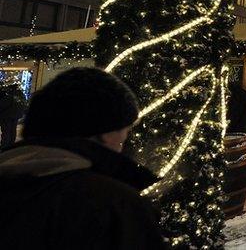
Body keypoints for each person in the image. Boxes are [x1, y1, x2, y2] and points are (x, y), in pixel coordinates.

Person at [0, 67, 165, 249]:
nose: (124, 141)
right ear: (106, 133)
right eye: (126, 131)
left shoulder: (10, 178)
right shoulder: (114, 205)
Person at [0, 77, 27, 148]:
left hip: (7, 115)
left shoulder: (8, 93)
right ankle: (11, 144)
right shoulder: (20, 93)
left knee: (6, 131)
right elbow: (24, 103)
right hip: (16, 114)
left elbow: (3, 104)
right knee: (12, 130)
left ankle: (4, 146)